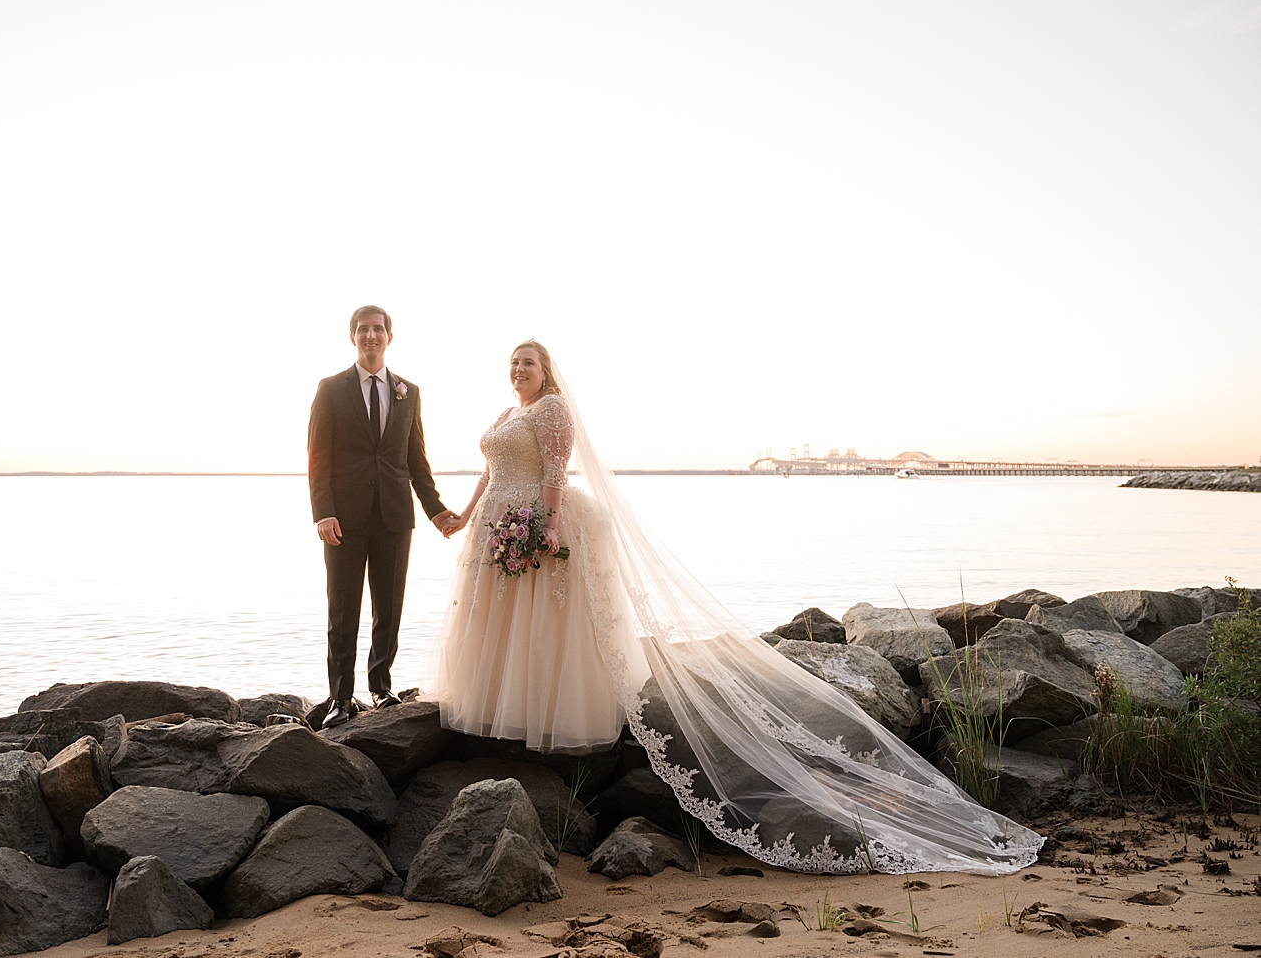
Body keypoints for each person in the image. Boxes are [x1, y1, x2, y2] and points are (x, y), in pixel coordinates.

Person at [433, 340, 1044, 874]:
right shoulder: (506, 412)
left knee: (546, 626)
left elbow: (555, 474)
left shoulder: (554, 410)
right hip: (496, 523)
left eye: (530, 362)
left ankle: (546, 713)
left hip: (541, 521)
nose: (519, 370)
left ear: (548, 371)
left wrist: (547, 527)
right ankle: (503, 708)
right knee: (504, 630)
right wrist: (465, 516)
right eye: (514, 362)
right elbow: (492, 469)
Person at [308, 306, 455, 729]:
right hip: (344, 520)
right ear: (352, 337)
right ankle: (340, 697)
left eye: (378, 329)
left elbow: (415, 459)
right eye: (363, 330)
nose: (370, 336)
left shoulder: (409, 391)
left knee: (388, 608)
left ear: (390, 336)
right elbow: (317, 457)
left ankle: (381, 686)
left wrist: (437, 511)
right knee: (343, 609)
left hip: (394, 516)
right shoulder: (331, 389)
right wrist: (323, 512)